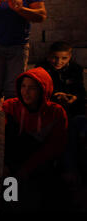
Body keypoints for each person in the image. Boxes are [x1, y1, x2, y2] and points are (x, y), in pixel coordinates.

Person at [0, 67, 68, 210]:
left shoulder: (56, 112)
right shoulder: (10, 105)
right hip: (12, 167)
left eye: (32, 88)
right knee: (9, 197)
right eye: (23, 86)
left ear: (42, 90)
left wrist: (25, 171)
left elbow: (54, 147)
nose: (25, 91)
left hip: (39, 166)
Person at [36, 41, 86, 184]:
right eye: (55, 57)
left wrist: (73, 97)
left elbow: (80, 92)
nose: (59, 62)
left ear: (69, 57)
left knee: (73, 128)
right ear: (48, 56)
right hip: (48, 109)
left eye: (63, 58)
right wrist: (55, 97)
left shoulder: (76, 69)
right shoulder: (41, 68)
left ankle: (70, 169)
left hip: (72, 110)